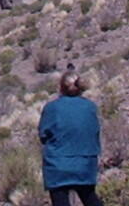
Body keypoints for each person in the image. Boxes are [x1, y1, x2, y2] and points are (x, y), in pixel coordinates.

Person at [38, 72, 103, 206]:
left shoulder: (52, 108)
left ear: (61, 87)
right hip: (85, 163)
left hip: (58, 164)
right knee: (90, 198)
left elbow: (43, 135)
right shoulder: (90, 107)